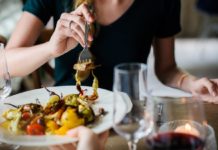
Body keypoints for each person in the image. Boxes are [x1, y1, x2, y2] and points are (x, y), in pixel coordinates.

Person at [4, 0, 218, 102]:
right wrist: (51, 49)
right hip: (64, 121)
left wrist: (191, 83)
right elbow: (4, 65)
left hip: (125, 118)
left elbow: (167, 68)